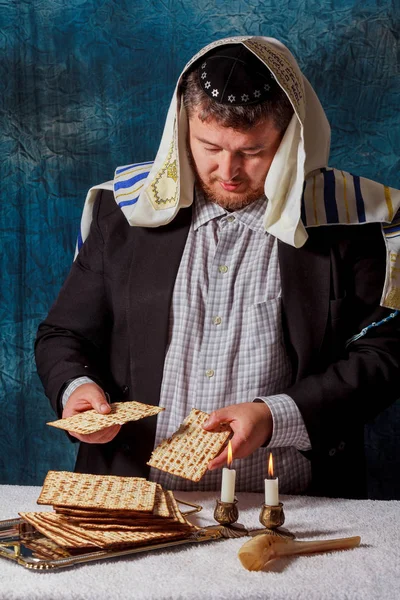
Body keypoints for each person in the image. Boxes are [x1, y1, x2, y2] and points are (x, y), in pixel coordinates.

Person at [35, 36, 400, 499]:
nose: (227, 171)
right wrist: (77, 389)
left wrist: (275, 415)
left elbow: (384, 356)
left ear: (289, 139)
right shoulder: (123, 212)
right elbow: (63, 335)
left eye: (251, 152)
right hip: (132, 498)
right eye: (209, 146)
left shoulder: (349, 223)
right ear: (182, 127)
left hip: (290, 504)